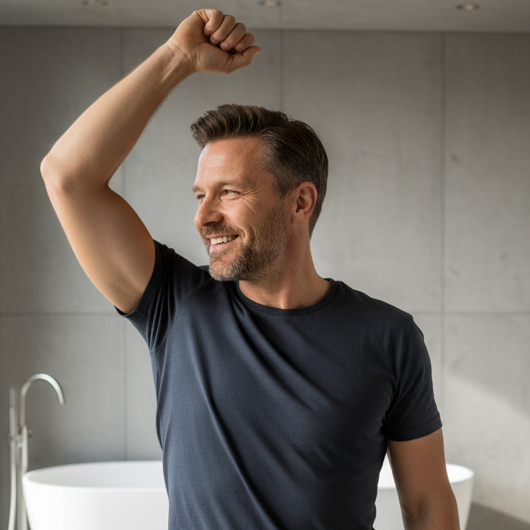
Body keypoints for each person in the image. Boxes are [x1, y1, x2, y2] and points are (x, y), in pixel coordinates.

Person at [40, 8, 460, 530]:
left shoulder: (388, 336)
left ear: (300, 201)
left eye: (229, 193)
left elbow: (427, 503)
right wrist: (176, 58)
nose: (203, 216)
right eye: (200, 195)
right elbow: (66, 176)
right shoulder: (174, 306)